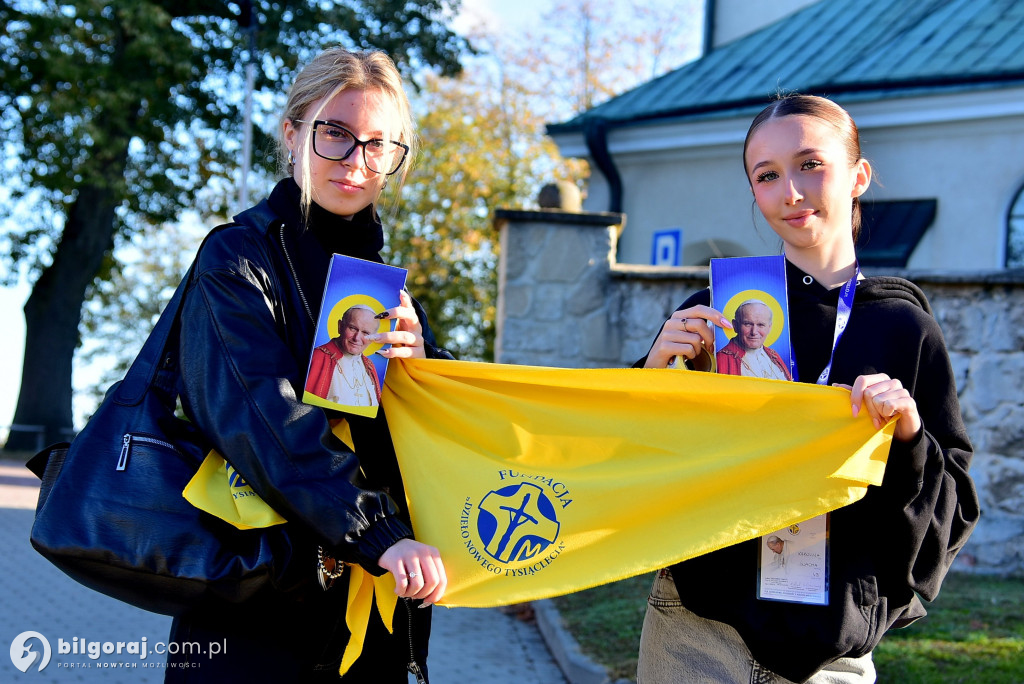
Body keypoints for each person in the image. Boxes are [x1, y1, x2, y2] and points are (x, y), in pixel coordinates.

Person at [636, 94, 979, 683]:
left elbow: (952, 508)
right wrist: (651, 376)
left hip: (830, 654)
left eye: (809, 164)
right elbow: (633, 464)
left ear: (859, 176)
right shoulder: (713, 317)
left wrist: (910, 435)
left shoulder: (904, 329)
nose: (790, 192)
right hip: (696, 630)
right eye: (766, 176)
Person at [167, 48, 450, 682]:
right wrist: (378, 534)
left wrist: (424, 366)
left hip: (375, 611)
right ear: (293, 133)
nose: (357, 162)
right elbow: (264, 422)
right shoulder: (235, 260)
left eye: (380, 145)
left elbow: (439, 428)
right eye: (336, 135)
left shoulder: (387, 290)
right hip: (258, 605)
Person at [306, 305, 383, 406]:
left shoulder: (369, 366)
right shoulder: (318, 357)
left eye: (365, 333)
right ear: (340, 326)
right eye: (353, 328)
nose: (357, 338)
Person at [716, 299, 792, 380]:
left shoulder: (774, 356)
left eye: (761, 325)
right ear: (735, 325)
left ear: (769, 328)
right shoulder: (722, 359)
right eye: (747, 324)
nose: (754, 332)